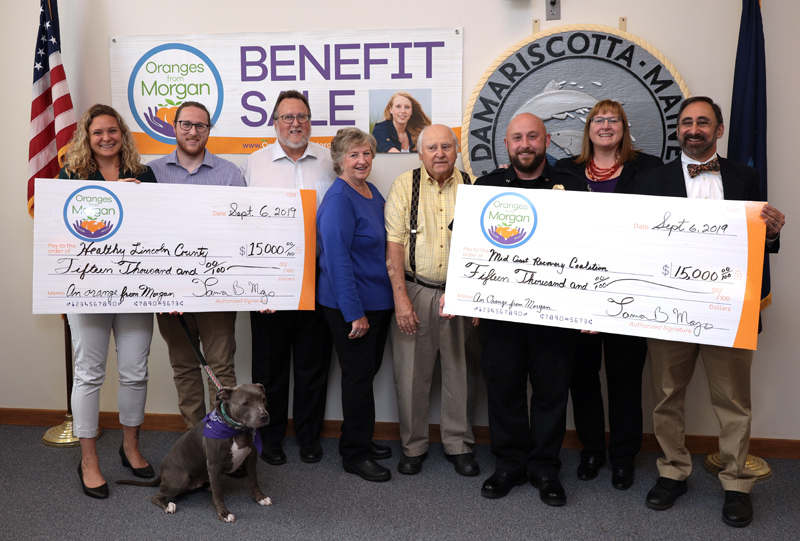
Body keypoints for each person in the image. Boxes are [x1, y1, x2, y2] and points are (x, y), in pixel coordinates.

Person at [634, 96, 785, 528]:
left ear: (719, 130)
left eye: (703, 122)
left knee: (734, 401)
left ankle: (736, 482)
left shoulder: (746, 177)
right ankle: (673, 472)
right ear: (677, 131)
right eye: (686, 123)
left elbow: (760, 244)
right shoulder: (649, 181)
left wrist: (772, 234)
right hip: (668, 308)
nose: (694, 129)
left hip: (729, 308)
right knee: (666, 396)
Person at [462, 113, 586, 506]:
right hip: (502, 315)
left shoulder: (573, 187)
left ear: (546, 140)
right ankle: (510, 464)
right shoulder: (488, 187)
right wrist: (468, 295)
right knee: (504, 389)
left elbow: (589, 248)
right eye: (517, 138)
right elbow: (469, 246)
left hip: (555, 315)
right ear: (507, 144)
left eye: (532, 136)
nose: (525, 144)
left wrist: (588, 309)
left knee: (551, 392)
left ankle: (545, 467)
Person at [554, 99, 663, 490]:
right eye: (597, 119)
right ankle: (591, 450)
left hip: (628, 292)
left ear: (623, 127)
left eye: (612, 119)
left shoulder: (648, 169)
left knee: (624, 379)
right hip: (578, 291)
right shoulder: (564, 170)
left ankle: (622, 457)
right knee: (581, 377)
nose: (604, 125)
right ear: (588, 128)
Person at [240, 90, 344, 465]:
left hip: (318, 277)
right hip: (268, 281)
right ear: (274, 123)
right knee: (269, 366)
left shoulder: (330, 162)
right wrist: (254, 286)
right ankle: (270, 438)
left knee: (312, 364)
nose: (295, 123)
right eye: (287, 117)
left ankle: (309, 436)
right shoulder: (254, 163)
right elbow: (242, 226)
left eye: (301, 116)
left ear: (310, 121)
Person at [58, 104, 157, 498]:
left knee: (135, 370)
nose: (106, 138)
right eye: (98, 132)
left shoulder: (143, 174)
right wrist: (113, 196)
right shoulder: (71, 175)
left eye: (112, 130)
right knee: (89, 373)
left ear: (122, 134)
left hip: (135, 287)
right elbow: (64, 231)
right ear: (87, 136)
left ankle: (130, 445)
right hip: (87, 288)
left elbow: (157, 230)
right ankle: (88, 460)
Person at [384, 125, 481, 477]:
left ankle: (459, 445)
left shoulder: (474, 187)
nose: (439, 153)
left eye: (445, 146)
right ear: (420, 153)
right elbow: (393, 246)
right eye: (431, 148)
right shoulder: (403, 185)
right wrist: (401, 300)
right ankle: (413, 446)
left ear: (456, 151)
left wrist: (475, 298)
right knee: (411, 373)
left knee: (463, 372)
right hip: (416, 289)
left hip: (461, 293)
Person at [148, 101, 244, 430]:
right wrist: (164, 291)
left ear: (209, 130)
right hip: (169, 294)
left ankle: (225, 438)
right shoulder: (151, 172)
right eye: (186, 124)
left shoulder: (230, 173)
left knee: (221, 368)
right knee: (185, 368)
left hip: (217, 292)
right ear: (174, 127)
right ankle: (197, 441)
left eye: (201, 126)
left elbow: (241, 233)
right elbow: (143, 234)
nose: (193, 131)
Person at [317, 127, 395, 482]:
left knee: (366, 375)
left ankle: (356, 437)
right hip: (351, 306)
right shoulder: (338, 200)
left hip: (377, 301)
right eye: (353, 155)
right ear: (339, 161)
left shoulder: (369, 190)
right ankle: (355, 454)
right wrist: (354, 314)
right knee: (359, 379)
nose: (361, 160)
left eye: (366, 153)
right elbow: (336, 262)